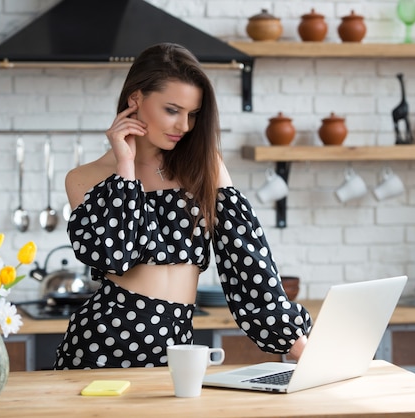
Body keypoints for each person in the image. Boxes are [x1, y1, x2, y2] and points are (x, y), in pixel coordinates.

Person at [54, 43, 311, 369]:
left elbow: (246, 257)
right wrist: (125, 167)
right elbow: (115, 256)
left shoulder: (205, 166)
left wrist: (293, 338)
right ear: (136, 99)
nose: (184, 126)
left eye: (193, 114)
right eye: (172, 110)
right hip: (104, 340)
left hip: (178, 340)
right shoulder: (84, 178)